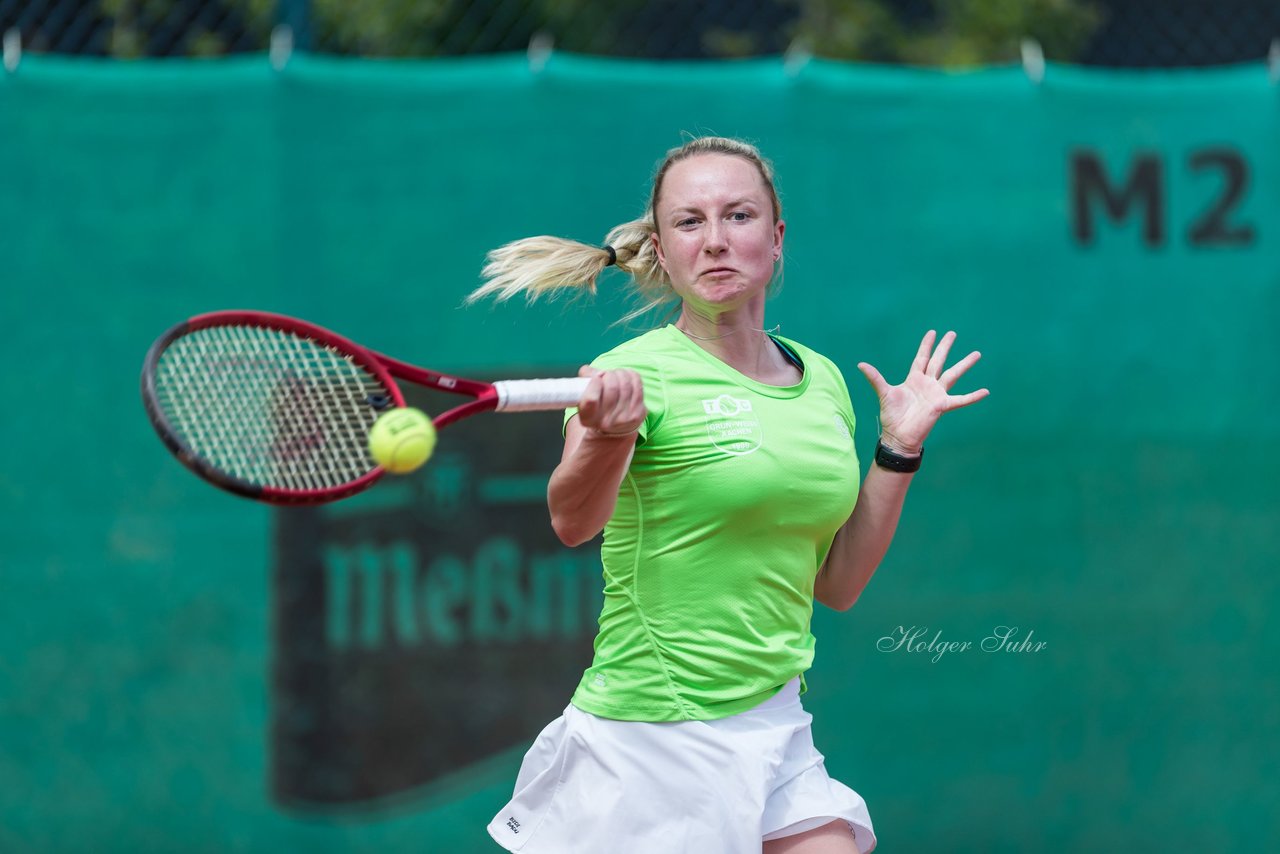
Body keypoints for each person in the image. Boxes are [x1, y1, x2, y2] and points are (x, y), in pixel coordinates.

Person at [470, 136, 988, 854]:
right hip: (650, 740)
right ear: (662, 247)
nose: (715, 241)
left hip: (774, 727)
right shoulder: (630, 372)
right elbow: (571, 520)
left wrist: (897, 449)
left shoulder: (824, 383)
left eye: (738, 216)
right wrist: (609, 436)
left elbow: (836, 585)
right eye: (690, 222)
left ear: (775, 240)